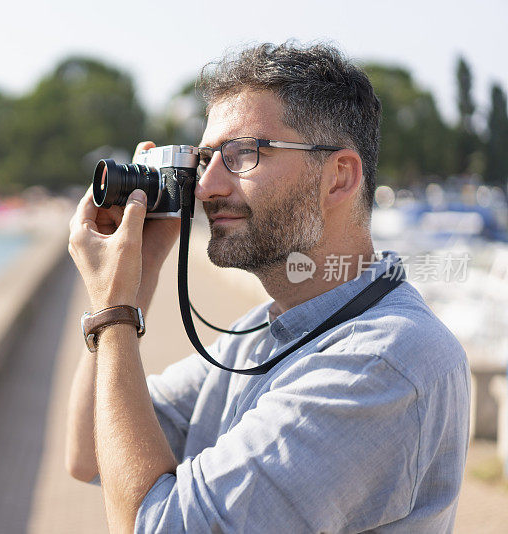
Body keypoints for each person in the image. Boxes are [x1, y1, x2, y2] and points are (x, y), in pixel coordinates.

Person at [66, 42, 470, 533]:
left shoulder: (384, 360)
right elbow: (91, 452)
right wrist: (144, 268)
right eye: (206, 158)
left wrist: (116, 312)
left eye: (242, 155)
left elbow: (159, 526)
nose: (205, 187)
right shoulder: (265, 329)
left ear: (338, 178)